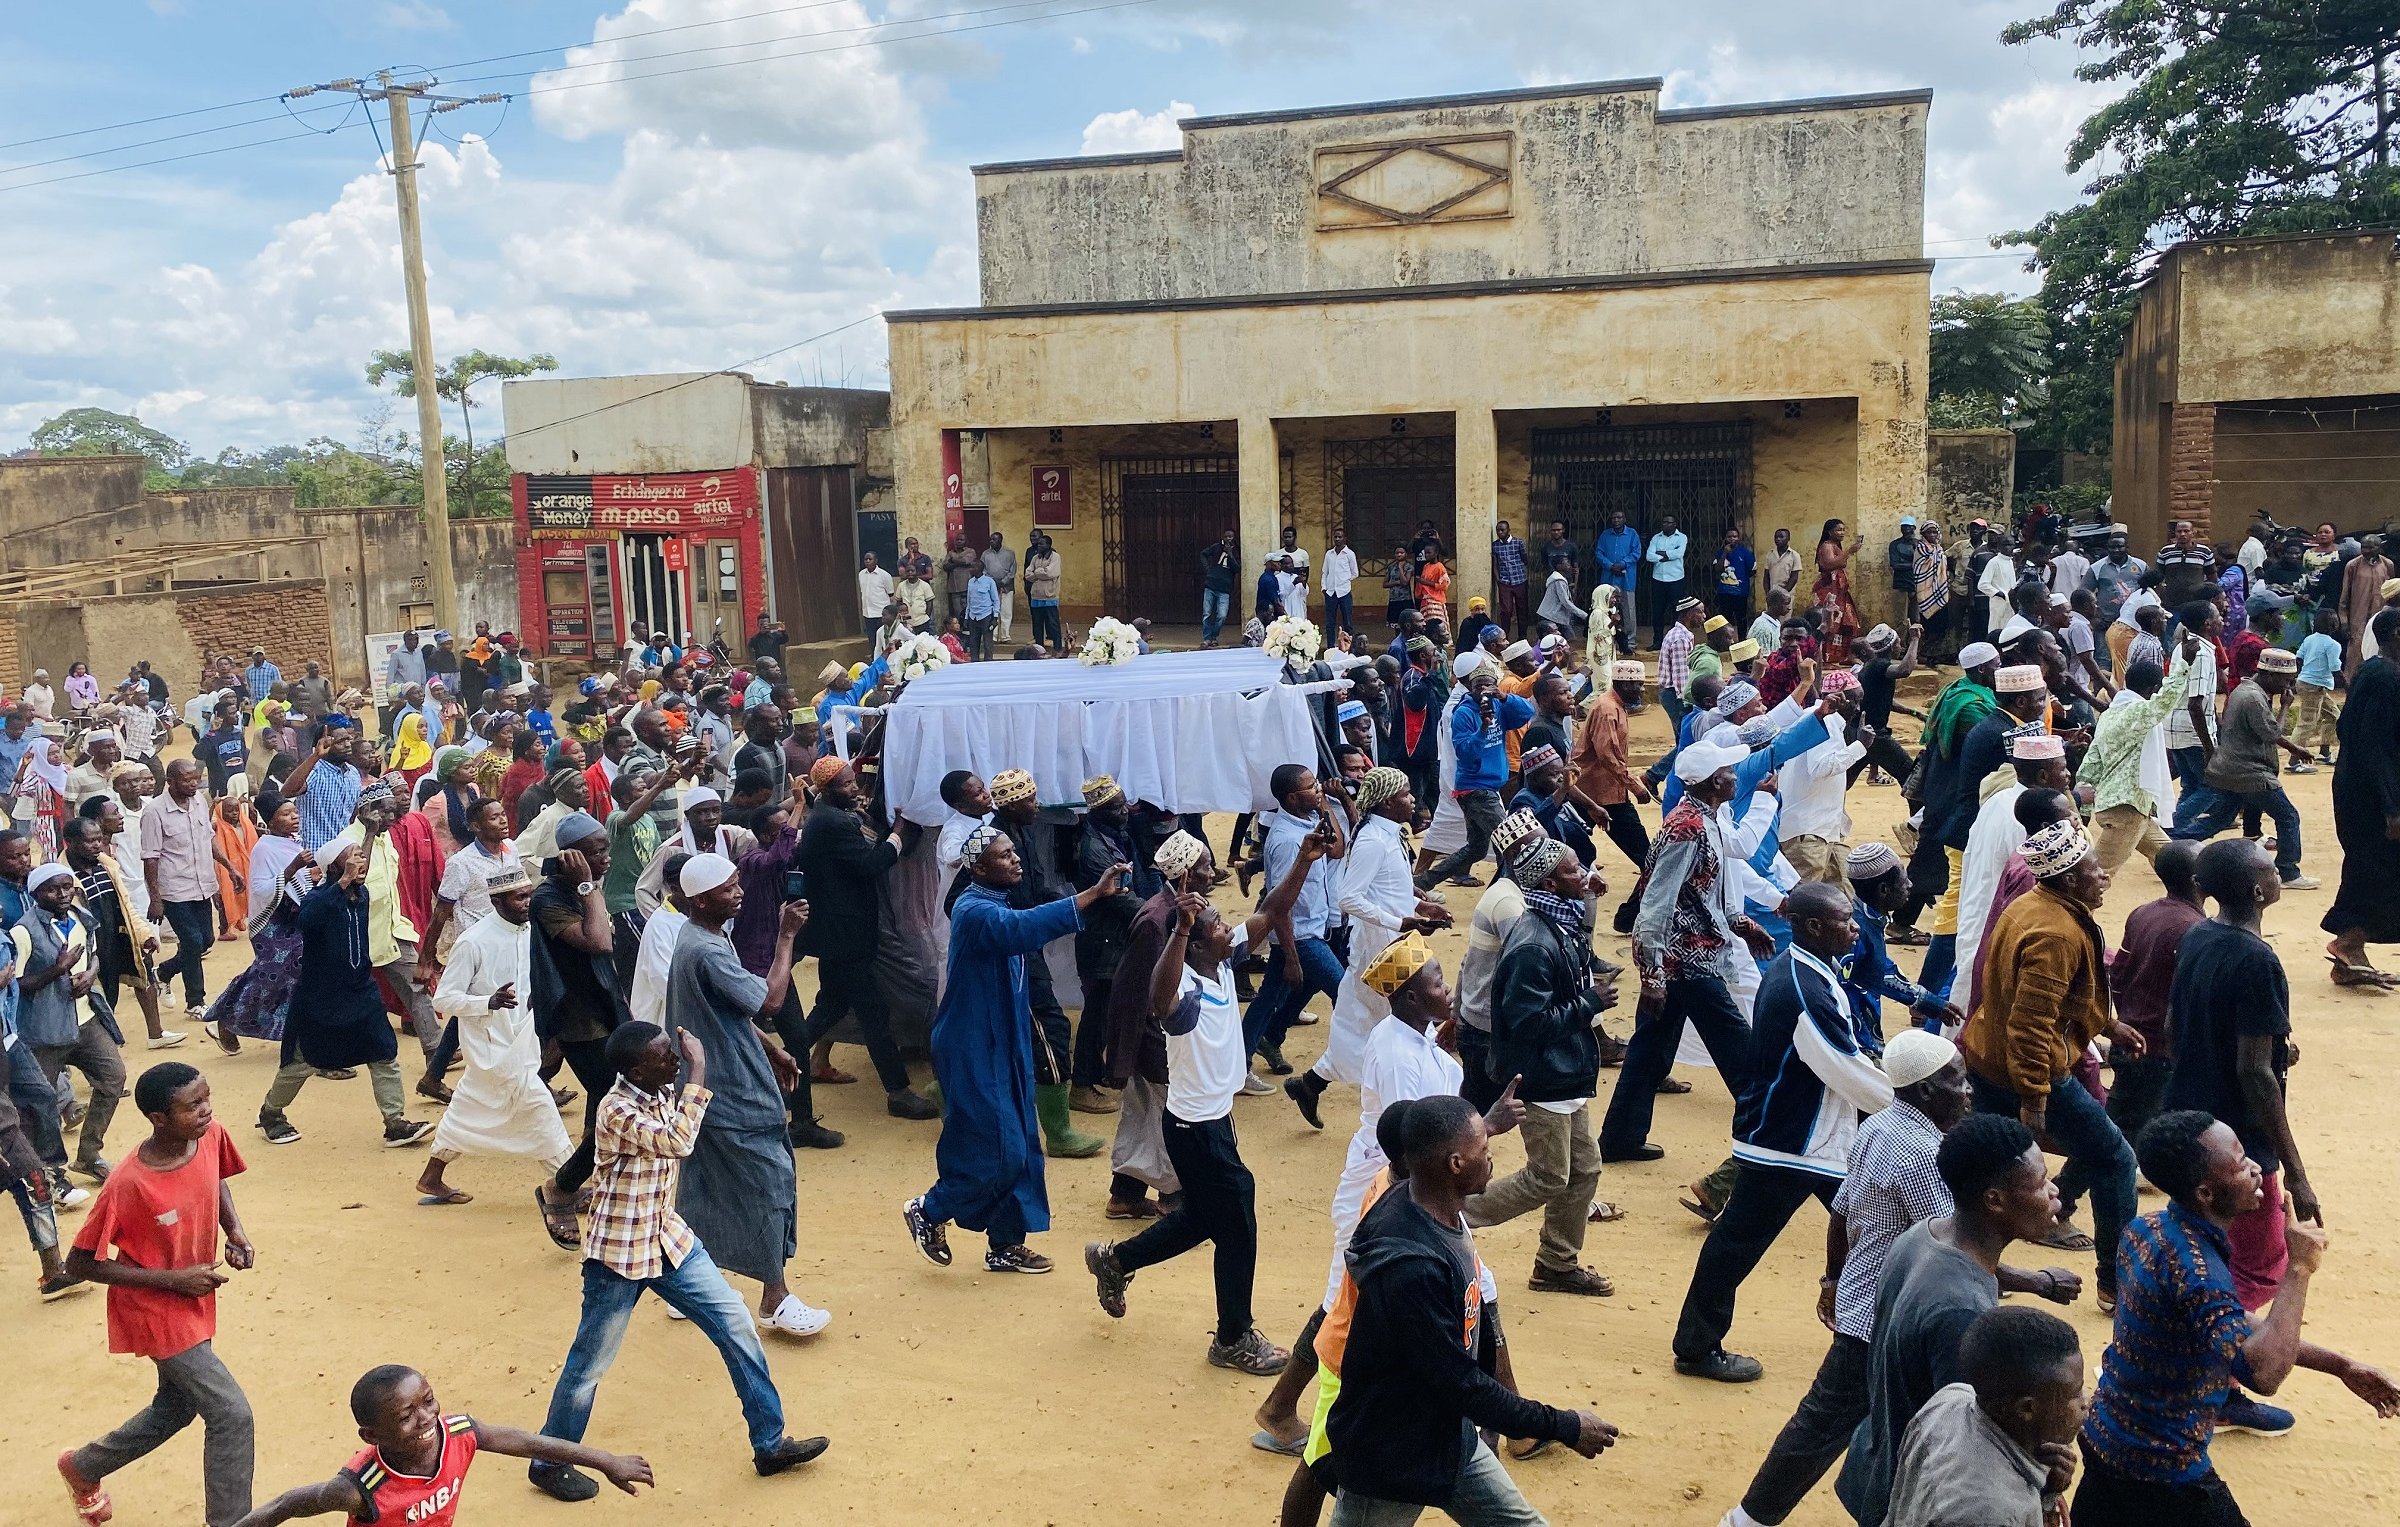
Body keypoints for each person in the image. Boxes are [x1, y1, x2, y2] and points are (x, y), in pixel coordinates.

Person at [528, 1022, 829, 1498]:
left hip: (667, 1239)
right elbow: (678, 1142)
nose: (676, 1060)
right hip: (619, 1255)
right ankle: (548, 1461)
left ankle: (770, 1444)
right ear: (634, 1070)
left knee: (736, 1325)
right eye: (664, 1056)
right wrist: (701, 1071)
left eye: (674, 1053)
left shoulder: (658, 1091)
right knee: (589, 1365)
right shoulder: (616, 1109)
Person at [2074, 1111, 2400, 1524]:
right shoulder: (2201, 1275)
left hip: (2107, 1437)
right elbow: (2263, 1373)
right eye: (2240, 1164)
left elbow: (2229, 1322)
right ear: (2206, 1193)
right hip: (2162, 1467)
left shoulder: (2147, 1228)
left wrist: (2339, 1365)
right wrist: (2298, 1269)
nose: (2257, 1170)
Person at [1082, 835, 1325, 1372]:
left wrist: (1305, 862)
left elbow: (1272, 910)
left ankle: (1116, 1259)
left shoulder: (1222, 963)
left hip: (1216, 1123)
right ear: (1195, 945)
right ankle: (1232, 1338)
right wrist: (1186, 929)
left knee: (1203, 1217)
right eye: (1216, 925)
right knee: (1237, 1218)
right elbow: (1157, 998)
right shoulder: (1186, 987)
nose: (1227, 927)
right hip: (1195, 1130)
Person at [1319, 1095, 1617, 1524]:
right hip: (1391, 1463)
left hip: (1448, 1440)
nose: (1491, 1158)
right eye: (1485, 1151)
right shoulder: (1411, 1270)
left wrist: (1484, 1126)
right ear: (1456, 1164)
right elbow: (1462, 1385)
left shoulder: (1428, 1199)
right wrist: (1565, 1425)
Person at [1674, 882, 1894, 1385]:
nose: (1854, 926)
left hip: (1810, 1139)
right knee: (1736, 1245)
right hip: (1791, 1144)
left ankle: (1879, 1328)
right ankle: (1696, 1346)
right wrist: (1907, 1106)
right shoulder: (1802, 988)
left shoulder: (1807, 972)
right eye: (1844, 919)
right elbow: (1844, 1066)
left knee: (1878, 1225)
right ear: (1814, 926)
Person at [906, 825, 1132, 1274]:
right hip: (970, 1046)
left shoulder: (997, 902)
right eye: (1005, 855)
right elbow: (1024, 928)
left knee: (1023, 1145)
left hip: (1003, 1041)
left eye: (1013, 851)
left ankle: (1005, 1244)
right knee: (995, 1148)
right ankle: (929, 1210)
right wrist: (1090, 895)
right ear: (979, 867)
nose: (1016, 859)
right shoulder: (974, 911)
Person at [1834, 1114, 2064, 1527]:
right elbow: (1969, 1440)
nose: (2053, 1192)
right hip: (1913, 1495)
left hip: (1874, 1456)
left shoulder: (1923, 1235)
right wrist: (2043, 1489)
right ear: (1994, 1200)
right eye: (2040, 1183)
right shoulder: (1961, 1310)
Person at [57, 1062, 256, 1527]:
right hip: (154, 1309)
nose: (207, 1111)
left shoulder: (208, 1135)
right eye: (193, 1106)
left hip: (193, 1297)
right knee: (231, 1414)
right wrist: (174, 1280)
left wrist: (236, 1233)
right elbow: (79, 1263)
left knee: (177, 1407)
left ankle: (84, 1466)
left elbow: (216, 1177)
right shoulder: (129, 1182)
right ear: (158, 1118)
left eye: (207, 1098)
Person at [1960, 817, 2142, 1310]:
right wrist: (2036, 1095)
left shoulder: (2034, 907)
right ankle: (2117, 1281)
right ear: (2066, 879)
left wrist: (2107, 1025)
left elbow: (2056, 1001)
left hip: (1990, 1057)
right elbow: (2031, 1023)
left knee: (1990, 1169)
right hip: (2025, 1070)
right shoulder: (2057, 934)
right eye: (2093, 869)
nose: (2102, 876)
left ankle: (2001, 1245)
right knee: (2115, 1157)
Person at [663, 851, 826, 1337]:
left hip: (704, 1083)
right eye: (728, 888)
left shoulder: (702, 936)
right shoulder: (707, 949)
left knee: (704, 1183)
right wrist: (787, 937)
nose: (739, 893)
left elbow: (729, 1012)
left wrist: (770, 1048)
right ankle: (774, 1297)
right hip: (731, 1089)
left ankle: (686, 1284)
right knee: (769, 1181)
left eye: (738, 884)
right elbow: (768, 1000)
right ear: (699, 899)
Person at [1464, 837, 1619, 1297]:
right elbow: (1527, 1023)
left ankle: (1556, 1263)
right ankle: (1445, 1212)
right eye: (1575, 871)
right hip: (1544, 1077)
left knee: (1585, 1169)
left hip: (1566, 1074)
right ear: (1550, 882)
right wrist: (1589, 1003)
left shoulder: (1560, 923)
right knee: (1549, 1175)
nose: (1584, 875)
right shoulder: (1533, 944)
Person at [1601, 741, 1767, 1162]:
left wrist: (1742, 924)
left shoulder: (1706, 819)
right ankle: (1768, 1136)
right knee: (1739, 1050)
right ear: (1714, 782)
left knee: (1648, 1050)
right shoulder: (1687, 828)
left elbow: (1703, 892)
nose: (1735, 776)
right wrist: (1652, 977)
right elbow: (1656, 905)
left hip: (1687, 955)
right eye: (1730, 771)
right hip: (1684, 961)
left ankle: (1620, 1138)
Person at [233, 1364, 651, 1526]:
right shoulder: (361, 1486)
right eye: (405, 1415)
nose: (426, 1417)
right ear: (372, 1437)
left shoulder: (460, 1434)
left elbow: (525, 1441)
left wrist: (604, 1459)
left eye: (428, 1401)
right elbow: (285, 1504)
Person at [1287, 767, 1451, 1129]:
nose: (1412, 799)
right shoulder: (1373, 840)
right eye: (1407, 794)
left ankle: (1311, 1083)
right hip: (1382, 952)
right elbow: (1349, 897)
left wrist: (1419, 905)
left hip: (1397, 946)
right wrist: (1401, 921)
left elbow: (1387, 887)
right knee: (1406, 1021)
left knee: (1368, 1023)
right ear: (1389, 802)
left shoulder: (1387, 834)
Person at [254, 840, 436, 1149]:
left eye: (361, 858)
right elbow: (308, 921)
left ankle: (395, 1123)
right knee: (304, 1063)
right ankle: (271, 1113)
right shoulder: (318, 897)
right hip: (321, 998)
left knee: (384, 1053)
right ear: (335, 866)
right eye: (351, 859)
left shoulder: (361, 895)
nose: (360, 864)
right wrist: (341, 882)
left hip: (360, 992)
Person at [413, 863, 572, 1213]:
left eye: (529, 895)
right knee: (539, 1104)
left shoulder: (532, 932)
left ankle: (432, 1175)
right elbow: (443, 999)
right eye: (519, 898)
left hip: (522, 1038)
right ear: (498, 901)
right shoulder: (473, 942)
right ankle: (567, 1185)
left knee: (469, 1103)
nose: (528, 903)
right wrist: (488, 1002)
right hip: (489, 1043)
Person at [1882, 1307, 2084, 1527]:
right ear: (2027, 1409)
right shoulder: (1991, 1513)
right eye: (2075, 1394)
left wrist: (2046, 1490)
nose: (2086, 1402)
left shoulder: (1952, 1398)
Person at [17, 860, 130, 1185]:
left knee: (113, 1077)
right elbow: (17, 984)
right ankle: (49, 1174)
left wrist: (91, 973)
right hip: (43, 1030)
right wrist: (58, 969)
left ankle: (89, 1155)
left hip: (84, 1019)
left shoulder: (81, 917)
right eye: (53, 889)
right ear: (36, 893)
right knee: (41, 1102)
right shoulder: (24, 931)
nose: (62, 894)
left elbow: (93, 953)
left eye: (67, 887)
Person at [2169, 647, 2318, 888]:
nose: (2288, 688)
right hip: (2249, 772)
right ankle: (2289, 871)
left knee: (2219, 818)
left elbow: (2263, 730)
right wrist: (2285, 706)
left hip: (2229, 769)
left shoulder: (2246, 691)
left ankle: (2170, 846)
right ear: (2271, 676)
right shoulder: (2254, 699)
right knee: (2288, 816)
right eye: (2286, 681)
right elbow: (2271, 732)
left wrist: (2293, 749)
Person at [2103, 840, 2203, 1155]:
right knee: (2112, 1143)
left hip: (2133, 1038)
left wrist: (2127, 1019)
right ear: (2197, 881)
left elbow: (2117, 974)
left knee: (2119, 1128)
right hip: (2157, 1050)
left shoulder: (2143, 913)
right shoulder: (2195, 930)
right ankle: (2064, 1197)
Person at [2078, 637, 2203, 871]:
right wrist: (2183, 664)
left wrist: (2083, 808)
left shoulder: (2109, 714)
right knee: (2096, 879)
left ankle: (2189, 903)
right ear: (2153, 689)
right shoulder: (2136, 713)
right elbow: (2163, 703)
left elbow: (2092, 762)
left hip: (2123, 806)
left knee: (2176, 863)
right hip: (2127, 809)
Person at [2325, 606, 2400, 985]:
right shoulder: (2384, 676)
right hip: (2371, 795)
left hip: (2359, 787)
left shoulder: (2374, 671)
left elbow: (2346, 728)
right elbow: (2375, 745)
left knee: (2368, 863)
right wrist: (2391, 805)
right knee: (2379, 865)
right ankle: (2349, 941)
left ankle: (2349, 957)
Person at [1415, 666, 1532, 891]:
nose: (1484, 691)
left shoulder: (1498, 705)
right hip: (1476, 789)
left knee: (1476, 848)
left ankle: (1422, 882)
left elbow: (1526, 713)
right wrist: (1483, 730)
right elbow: (1465, 753)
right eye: (1479, 686)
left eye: (1489, 685)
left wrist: (1505, 697)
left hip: (1486, 787)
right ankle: (1506, 892)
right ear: (1470, 687)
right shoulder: (1464, 713)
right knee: (1508, 841)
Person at [142, 757, 227, 1017]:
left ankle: (164, 972)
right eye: (187, 780)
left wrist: (229, 867)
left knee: (205, 940)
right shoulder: (154, 812)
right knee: (191, 940)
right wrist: (155, 898)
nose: (194, 784)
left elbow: (208, 839)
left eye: (196, 779)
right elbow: (150, 857)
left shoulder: (199, 801)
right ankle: (196, 1002)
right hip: (174, 889)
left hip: (201, 884)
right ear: (170, 782)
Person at [2284, 605, 2344, 769]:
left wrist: (2293, 679)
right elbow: (2335, 669)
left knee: (2333, 716)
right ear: (2333, 625)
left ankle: (2324, 752)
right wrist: (2349, 687)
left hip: (2309, 684)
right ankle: (2294, 761)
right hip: (2315, 686)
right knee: (2306, 722)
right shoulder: (2333, 645)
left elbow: (2299, 659)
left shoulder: (2309, 639)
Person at [1647, 514, 1691, 647]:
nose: (1665, 524)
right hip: (1658, 579)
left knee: (1676, 611)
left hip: (1676, 578)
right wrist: (1668, 555)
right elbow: (1649, 556)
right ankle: (1657, 641)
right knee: (1658, 611)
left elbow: (1679, 554)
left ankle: (1674, 641)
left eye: (1669, 522)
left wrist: (1661, 553)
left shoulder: (1682, 537)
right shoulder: (1656, 537)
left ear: (1675, 524)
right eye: (1664, 522)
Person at [1490, 520, 1529, 634]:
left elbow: (1525, 559)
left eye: (1503, 530)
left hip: (1520, 580)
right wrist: (1498, 579)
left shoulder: (1519, 543)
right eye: (1498, 530)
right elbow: (1495, 563)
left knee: (1522, 609)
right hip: (1504, 582)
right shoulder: (1495, 546)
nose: (1500, 532)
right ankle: (1505, 636)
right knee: (1506, 610)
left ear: (1508, 530)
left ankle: (1522, 636)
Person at [981, 530, 1019, 644]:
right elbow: (983, 570)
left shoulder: (1010, 553)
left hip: (1006, 586)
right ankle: (993, 635)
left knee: (1006, 611)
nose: (992, 542)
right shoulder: (985, 554)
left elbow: (1013, 571)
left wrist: (1003, 581)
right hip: (991, 586)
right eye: (991, 540)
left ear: (1000, 540)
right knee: (993, 611)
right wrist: (992, 582)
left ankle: (1005, 636)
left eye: (994, 539)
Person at [1714, 526, 1757, 626]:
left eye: (1735, 536)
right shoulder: (1720, 553)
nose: (1732, 539)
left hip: (1740, 593)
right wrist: (1725, 553)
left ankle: (1742, 639)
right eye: (1729, 537)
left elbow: (1752, 571)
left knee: (1741, 618)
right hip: (1724, 593)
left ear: (1739, 538)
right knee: (1725, 620)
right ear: (1725, 538)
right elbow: (1717, 569)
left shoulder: (1746, 553)